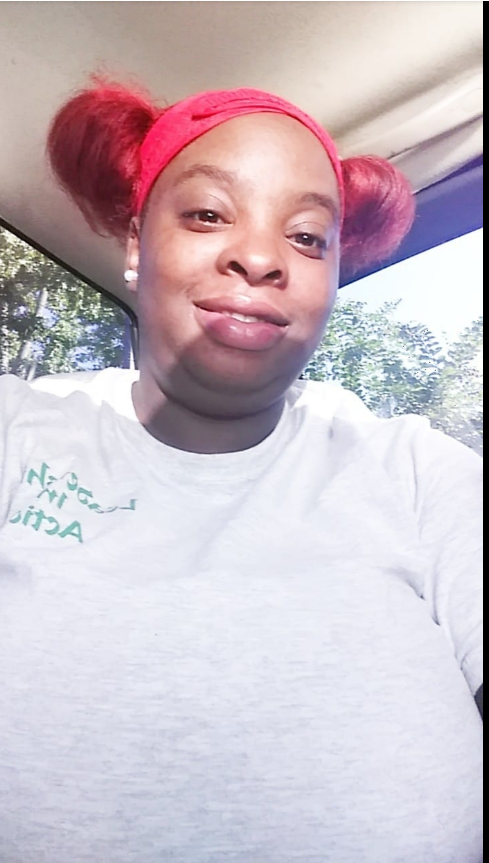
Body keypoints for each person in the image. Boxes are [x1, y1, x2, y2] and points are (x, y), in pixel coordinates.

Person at [0, 80, 482, 863]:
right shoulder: (18, 432)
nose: (259, 256)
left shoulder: (415, 472)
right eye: (207, 213)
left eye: (305, 237)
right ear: (134, 242)